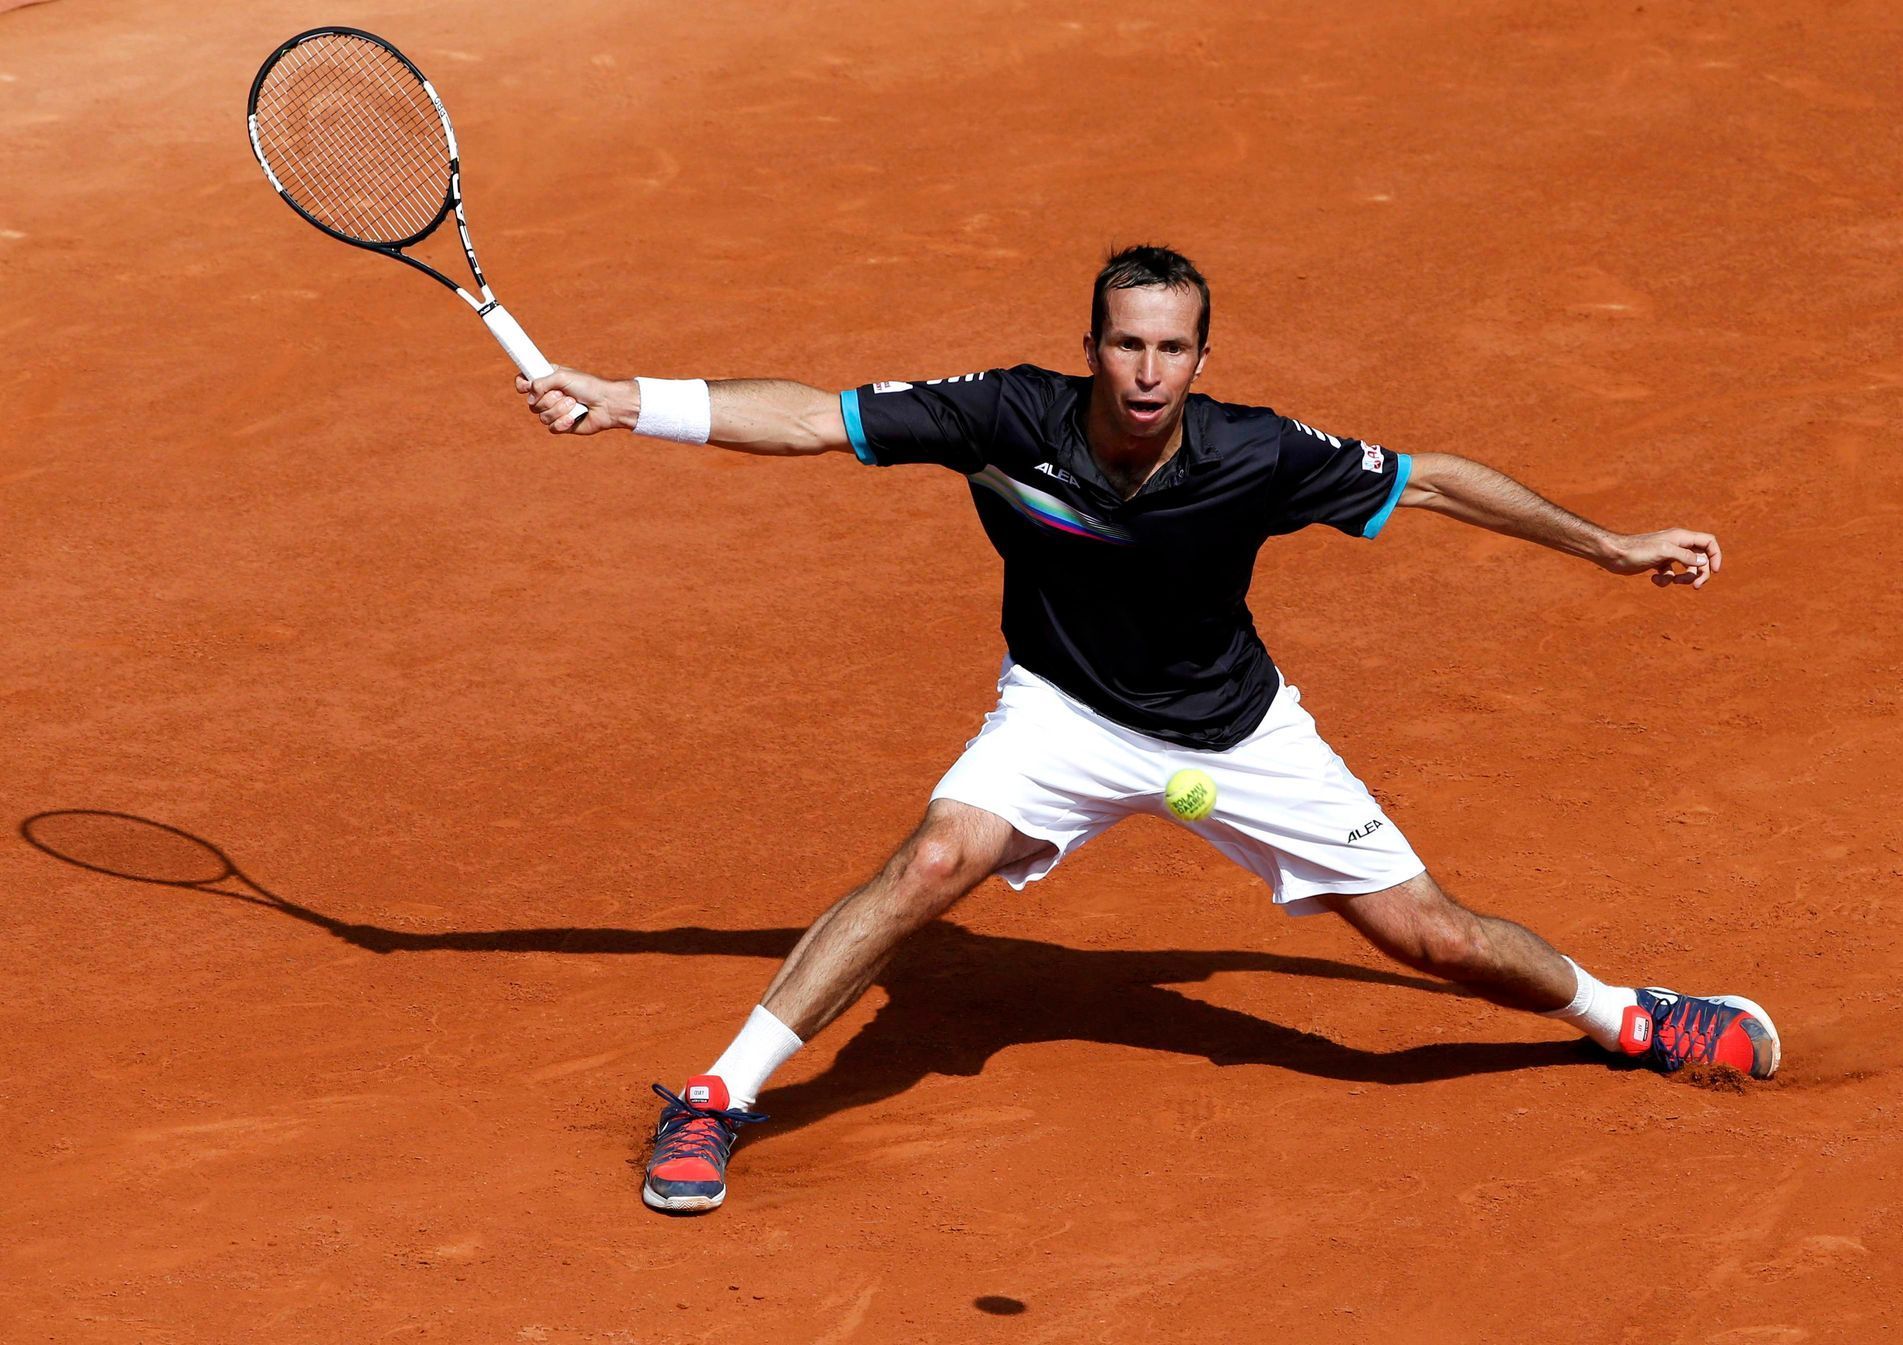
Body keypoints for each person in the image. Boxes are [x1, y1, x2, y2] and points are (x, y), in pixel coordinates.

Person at [518, 245, 1779, 1216]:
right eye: (1125, 344)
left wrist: (1606, 544)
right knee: (933, 863)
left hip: (1236, 734)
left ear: (1198, 355)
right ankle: (716, 1097)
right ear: (1092, 345)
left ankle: (1631, 1018)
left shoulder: (1257, 453)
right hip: (1062, 714)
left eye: (1171, 349)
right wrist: (625, 399)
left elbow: (1435, 476)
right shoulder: (1008, 416)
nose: (1145, 372)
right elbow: (808, 416)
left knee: (1431, 935)